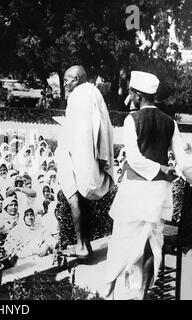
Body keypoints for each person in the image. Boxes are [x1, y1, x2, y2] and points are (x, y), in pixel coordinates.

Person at [104, 71, 192, 300]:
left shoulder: (132, 119)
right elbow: (184, 162)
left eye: (131, 92)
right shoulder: (170, 122)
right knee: (151, 242)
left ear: (136, 94)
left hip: (135, 189)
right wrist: (176, 172)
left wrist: (160, 169)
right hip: (158, 193)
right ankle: (142, 294)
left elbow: (134, 159)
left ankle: (110, 288)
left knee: (123, 239)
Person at [54, 65, 114, 259]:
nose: (65, 84)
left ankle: (81, 247)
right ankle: (84, 244)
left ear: (77, 79)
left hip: (76, 156)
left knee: (74, 199)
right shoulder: (93, 93)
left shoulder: (78, 96)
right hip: (88, 158)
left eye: (67, 80)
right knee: (82, 200)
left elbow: (78, 134)